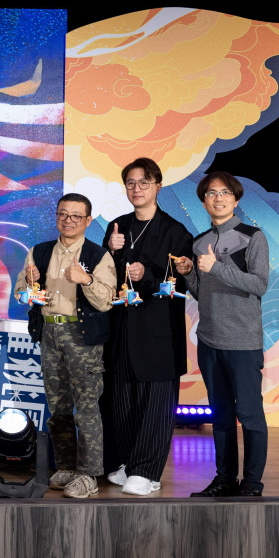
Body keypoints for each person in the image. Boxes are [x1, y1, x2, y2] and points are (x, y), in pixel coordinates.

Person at [101, 157, 193, 495]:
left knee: (155, 405)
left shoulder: (176, 232)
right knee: (122, 402)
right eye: (130, 183)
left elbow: (182, 284)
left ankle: (148, 472)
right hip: (121, 329)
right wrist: (110, 252)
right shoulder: (117, 227)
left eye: (144, 182)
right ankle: (128, 463)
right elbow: (105, 277)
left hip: (158, 332)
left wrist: (147, 275)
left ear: (157, 186)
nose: (136, 188)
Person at [15, 193, 116, 499]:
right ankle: (67, 467)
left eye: (76, 216)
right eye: (63, 214)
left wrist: (86, 280)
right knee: (57, 407)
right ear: (56, 216)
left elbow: (106, 302)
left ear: (87, 220)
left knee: (86, 409)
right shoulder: (39, 252)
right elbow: (21, 294)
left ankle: (89, 475)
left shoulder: (99, 256)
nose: (68, 220)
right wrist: (29, 286)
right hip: (49, 333)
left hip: (81, 336)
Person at [175, 172, 269, 497]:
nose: (218, 198)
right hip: (209, 341)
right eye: (211, 193)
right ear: (203, 202)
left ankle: (252, 483)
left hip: (242, 342)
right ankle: (225, 479)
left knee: (250, 415)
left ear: (236, 199)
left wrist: (216, 267)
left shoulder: (253, 236)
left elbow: (259, 285)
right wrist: (190, 274)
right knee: (222, 416)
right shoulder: (199, 241)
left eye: (225, 192)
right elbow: (203, 294)